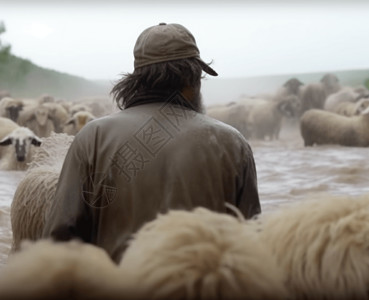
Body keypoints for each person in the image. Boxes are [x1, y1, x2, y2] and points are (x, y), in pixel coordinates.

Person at [43, 22, 261, 262]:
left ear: (137, 80)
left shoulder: (92, 137)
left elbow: (59, 238)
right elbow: (250, 243)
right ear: (194, 79)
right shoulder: (232, 143)